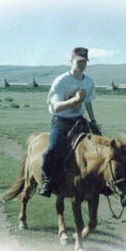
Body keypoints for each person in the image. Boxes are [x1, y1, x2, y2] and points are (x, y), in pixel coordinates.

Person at [38, 47, 100, 197]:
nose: (82, 64)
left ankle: (99, 182)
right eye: (79, 61)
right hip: (61, 120)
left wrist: (92, 120)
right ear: (71, 61)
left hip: (79, 119)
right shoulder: (61, 81)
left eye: (84, 62)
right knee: (53, 148)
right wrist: (74, 100)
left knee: (98, 147)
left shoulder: (89, 81)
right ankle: (47, 180)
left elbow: (88, 102)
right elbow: (56, 107)